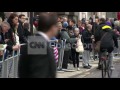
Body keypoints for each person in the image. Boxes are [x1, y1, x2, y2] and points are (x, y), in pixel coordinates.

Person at [18, 12, 58, 78]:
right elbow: (37, 74)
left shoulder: (38, 42)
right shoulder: (38, 44)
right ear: (52, 27)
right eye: (56, 25)